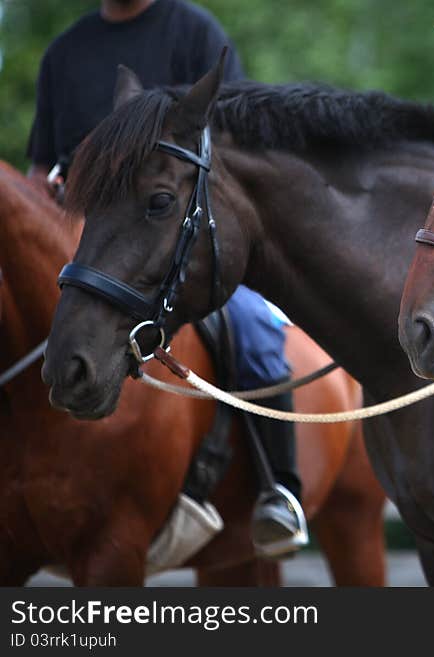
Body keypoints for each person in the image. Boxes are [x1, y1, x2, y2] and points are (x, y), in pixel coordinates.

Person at [26, 0, 308, 557]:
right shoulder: (64, 53)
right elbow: (40, 169)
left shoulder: (194, 30)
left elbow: (232, 143)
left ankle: (280, 487)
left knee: (251, 328)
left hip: (169, 230)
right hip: (82, 235)